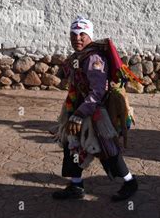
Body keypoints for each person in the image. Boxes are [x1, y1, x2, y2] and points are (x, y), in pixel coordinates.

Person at [51, 16, 138, 202]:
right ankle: (76, 185)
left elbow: (98, 91)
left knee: (107, 149)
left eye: (82, 34)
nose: (77, 38)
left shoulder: (94, 58)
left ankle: (130, 182)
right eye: (73, 34)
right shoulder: (78, 57)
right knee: (73, 146)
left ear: (89, 35)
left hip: (95, 112)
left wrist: (80, 114)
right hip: (77, 110)